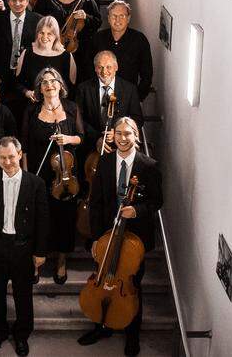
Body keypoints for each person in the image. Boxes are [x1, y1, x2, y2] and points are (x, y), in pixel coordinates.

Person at [77, 117, 162, 356]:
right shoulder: (104, 162)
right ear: (112, 136)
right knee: (103, 278)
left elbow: (157, 201)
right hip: (107, 235)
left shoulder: (149, 166)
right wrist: (95, 238)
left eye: (128, 133)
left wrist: (137, 210)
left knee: (132, 285)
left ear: (136, 135)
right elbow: (95, 203)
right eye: (119, 133)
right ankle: (101, 325)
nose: (123, 138)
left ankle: (132, 335)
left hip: (136, 238)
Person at [0, 136, 48, 356]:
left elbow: (43, 220)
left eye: (11, 157)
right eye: (2, 158)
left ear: (20, 154)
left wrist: (40, 252)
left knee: (23, 296)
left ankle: (21, 335)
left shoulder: (36, 183)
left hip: (23, 248)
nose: (7, 162)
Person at [20, 66, 85, 285]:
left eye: (53, 81)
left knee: (64, 217)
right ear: (40, 87)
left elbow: (81, 138)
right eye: (45, 82)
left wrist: (66, 139)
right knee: (39, 218)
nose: (49, 85)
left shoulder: (72, 108)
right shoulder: (31, 110)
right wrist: (27, 175)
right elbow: (25, 146)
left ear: (61, 85)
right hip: (40, 173)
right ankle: (37, 261)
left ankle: (61, 261)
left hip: (64, 173)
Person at [74, 51, 144, 162]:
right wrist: (97, 139)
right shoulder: (83, 88)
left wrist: (118, 133)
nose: (104, 72)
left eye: (108, 67)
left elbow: (138, 120)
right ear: (95, 68)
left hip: (120, 145)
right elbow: (78, 120)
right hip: (91, 145)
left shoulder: (129, 89)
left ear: (116, 67)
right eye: (100, 67)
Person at [36, 0, 101, 75]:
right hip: (52, 47)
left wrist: (86, 17)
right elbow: (37, 21)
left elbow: (98, 21)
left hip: (81, 50)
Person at [0, 0, 40, 107]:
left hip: (27, 79)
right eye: (13, 0)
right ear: (8, 1)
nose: (17, 3)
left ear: (27, 1)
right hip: (2, 79)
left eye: (21, 0)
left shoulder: (37, 21)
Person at [86, 1, 154, 99]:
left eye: (122, 16)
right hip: (101, 95)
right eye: (114, 16)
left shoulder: (139, 40)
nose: (117, 20)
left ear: (128, 18)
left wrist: (138, 97)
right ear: (108, 18)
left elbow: (147, 73)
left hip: (128, 97)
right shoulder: (97, 38)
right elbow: (88, 67)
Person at [15, 15, 75, 103]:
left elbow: (72, 88)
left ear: (56, 36)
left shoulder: (67, 56)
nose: (44, 37)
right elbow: (16, 83)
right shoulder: (27, 53)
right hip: (32, 104)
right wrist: (27, 92)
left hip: (59, 107)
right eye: (41, 33)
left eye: (49, 33)